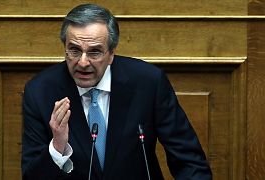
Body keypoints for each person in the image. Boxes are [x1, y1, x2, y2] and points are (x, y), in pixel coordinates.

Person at [21, 3, 212, 180]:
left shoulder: (148, 83)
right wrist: (57, 146)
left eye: (94, 52)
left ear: (111, 53)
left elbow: (189, 161)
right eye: (74, 50)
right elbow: (31, 176)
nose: (83, 62)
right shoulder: (40, 92)